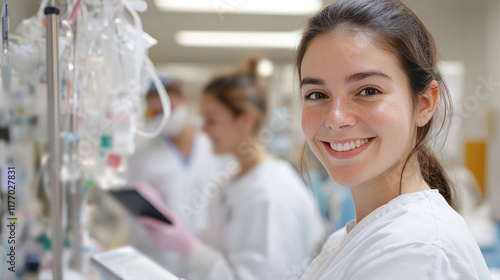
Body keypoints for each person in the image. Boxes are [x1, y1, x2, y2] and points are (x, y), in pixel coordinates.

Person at [296, 0, 491, 279]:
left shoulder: (416, 253)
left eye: (368, 90)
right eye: (317, 94)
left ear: (424, 103)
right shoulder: (353, 238)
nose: (336, 118)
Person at [138, 59, 325, 280]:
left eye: (211, 120)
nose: (203, 130)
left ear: (245, 119)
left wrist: (189, 248)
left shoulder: (270, 193)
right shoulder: (234, 180)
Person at [126, 77, 227, 276]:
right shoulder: (142, 156)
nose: (161, 117)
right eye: (153, 112)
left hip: (210, 258)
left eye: (166, 108)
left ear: (184, 98)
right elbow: (137, 219)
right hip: (160, 261)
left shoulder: (215, 144)